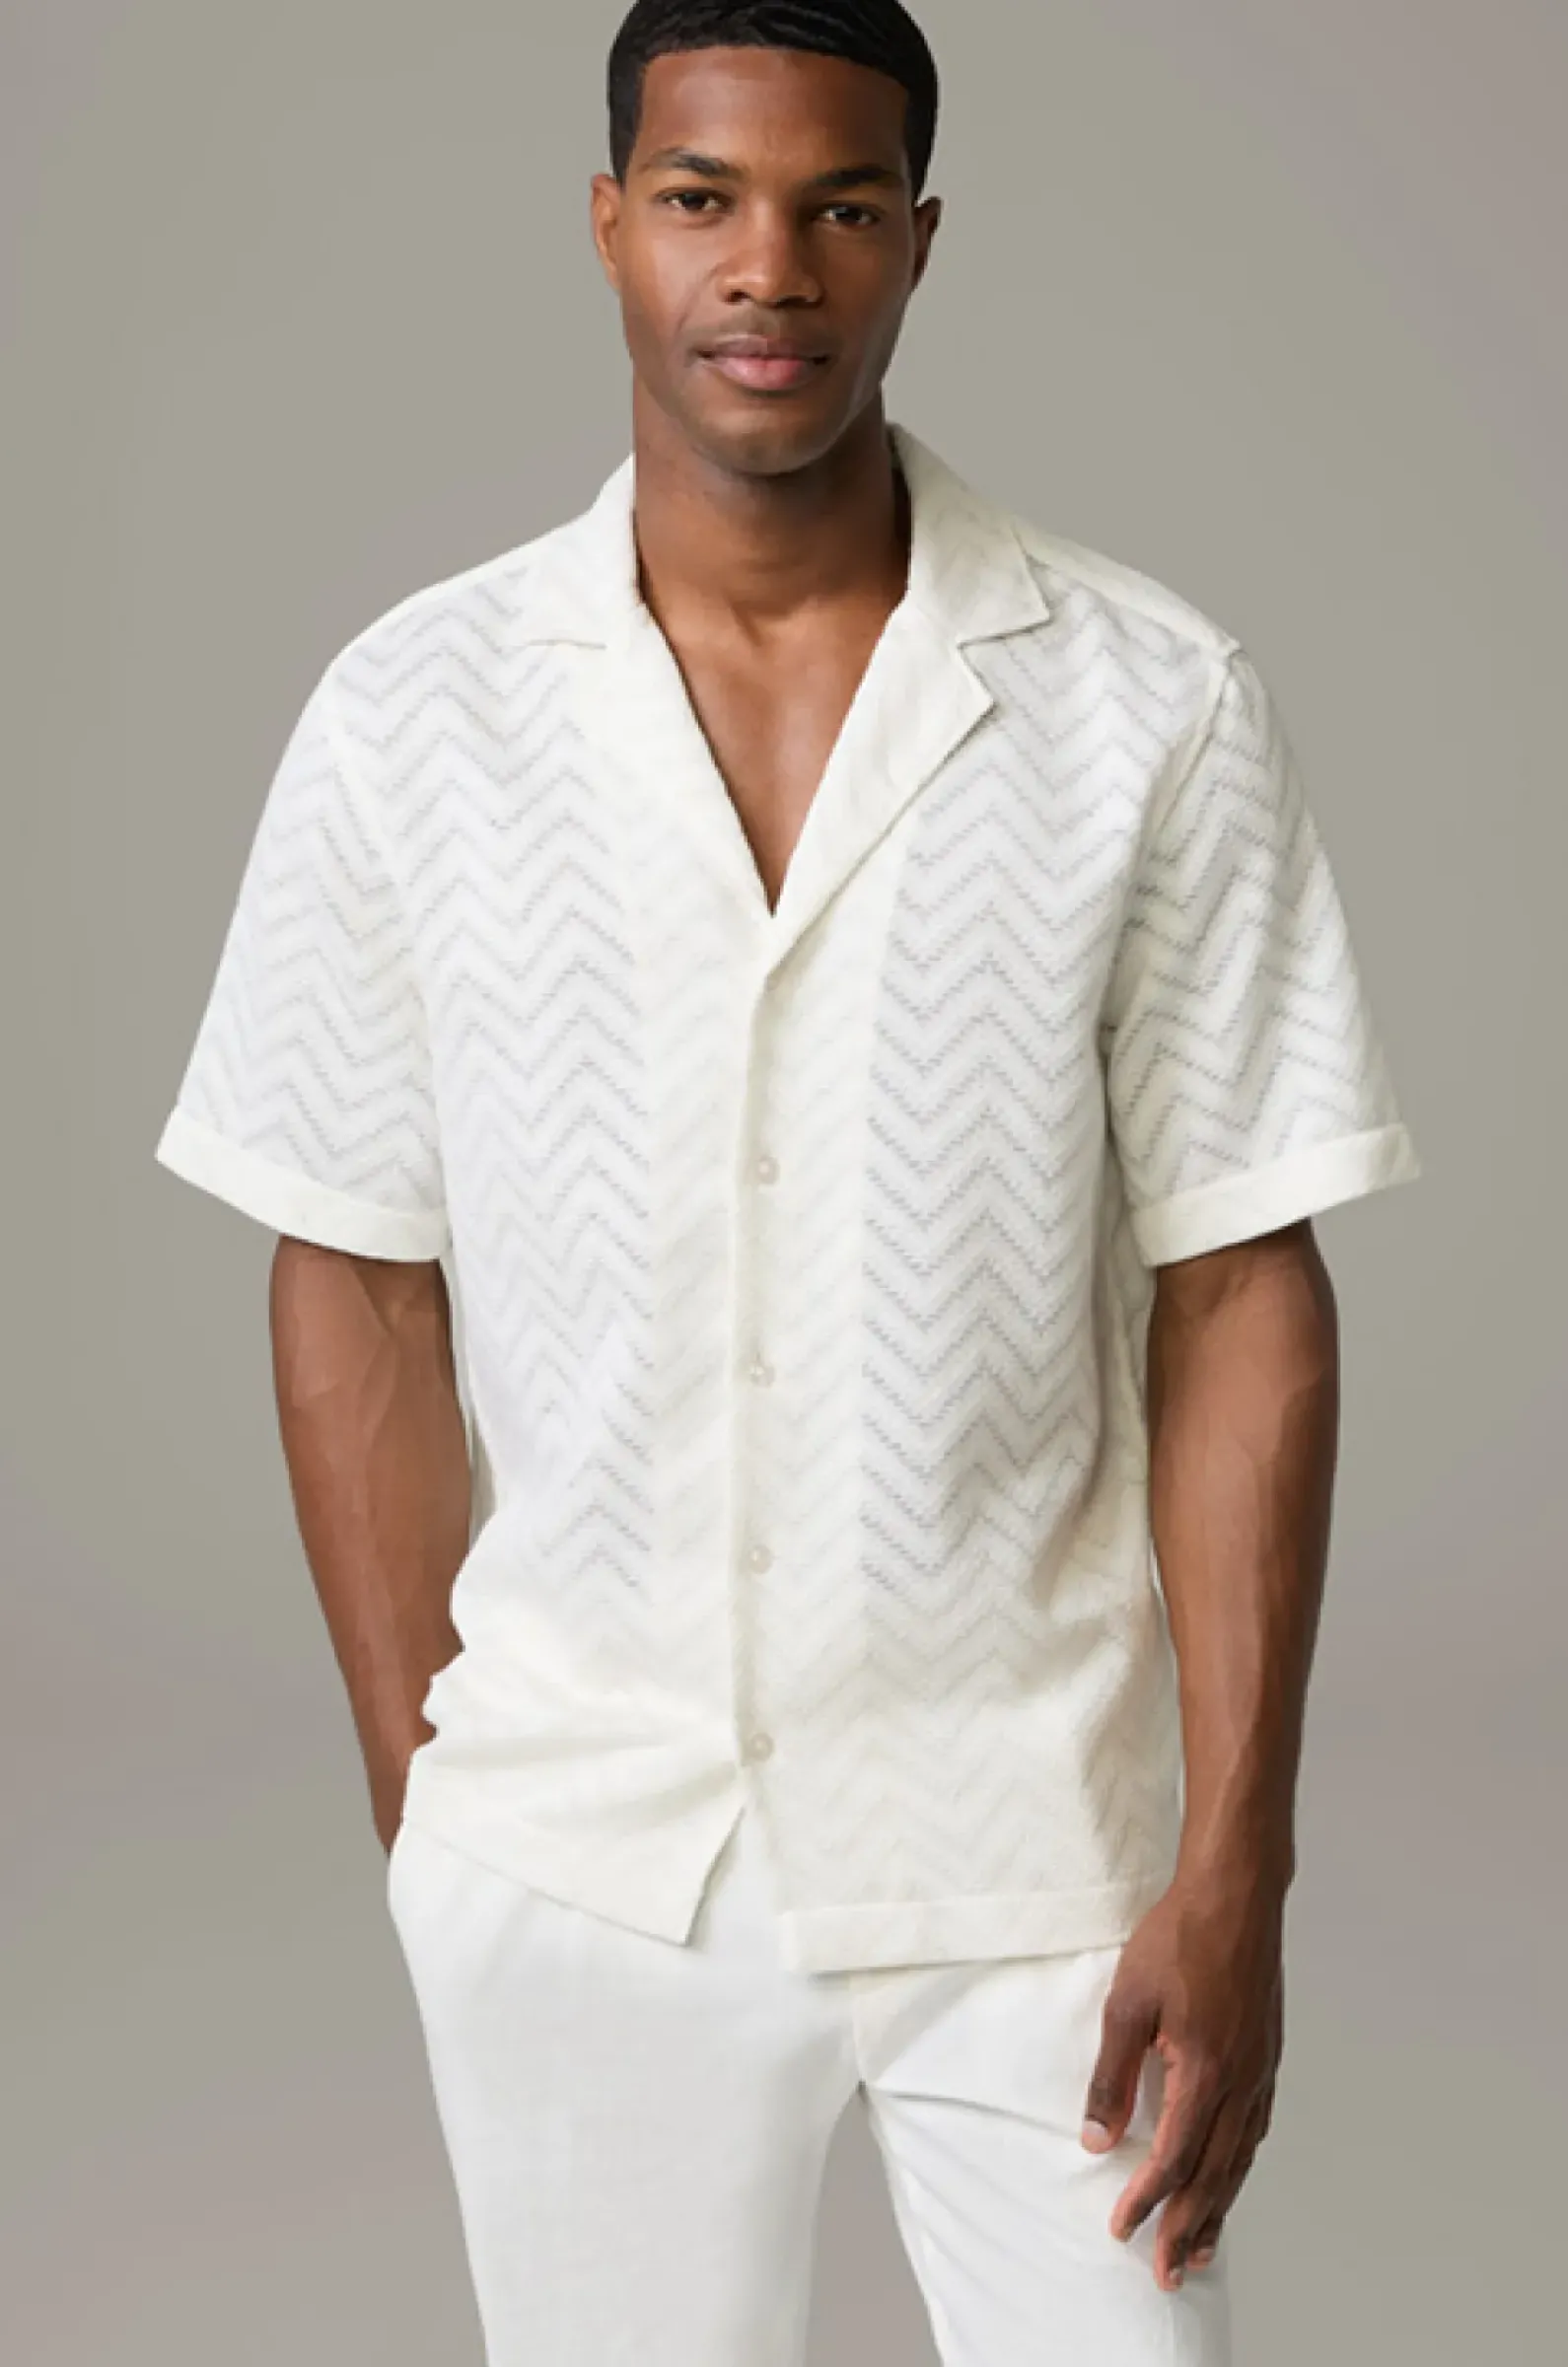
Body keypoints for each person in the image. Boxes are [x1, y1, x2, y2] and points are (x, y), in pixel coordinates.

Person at [152, 2, 1423, 2360]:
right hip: (582, 1846)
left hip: (1036, 1846)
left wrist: (1233, 1860)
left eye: (838, 206)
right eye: (702, 198)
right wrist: (432, 1809)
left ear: (917, 242)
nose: (769, 266)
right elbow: (353, 1268)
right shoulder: (413, 718)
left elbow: (1239, 1283)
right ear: (607, 224)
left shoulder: (1145, 701)